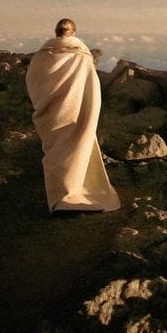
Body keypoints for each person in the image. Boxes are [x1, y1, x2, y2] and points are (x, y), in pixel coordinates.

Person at [23, 18, 120, 214]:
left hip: (50, 114)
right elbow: (90, 86)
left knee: (55, 151)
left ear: (56, 32)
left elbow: (32, 81)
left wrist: (44, 102)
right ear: (74, 33)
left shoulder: (41, 56)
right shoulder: (82, 55)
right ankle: (70, 195)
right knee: (74, 151)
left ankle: (58, 198)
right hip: (75, 112)